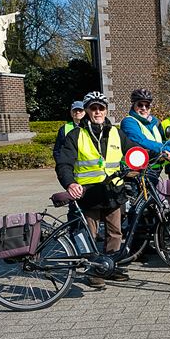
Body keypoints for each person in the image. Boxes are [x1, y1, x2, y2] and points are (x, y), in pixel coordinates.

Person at [55, 91, 137, 288]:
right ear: (86, 111)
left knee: (115, 233)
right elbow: (64, 163)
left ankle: (110, 266)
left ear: (106, 110)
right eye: (93, 108)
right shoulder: (76, 135)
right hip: (89, 194)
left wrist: (147, 158)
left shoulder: (116, 132)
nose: (98, 111)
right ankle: (93, 270)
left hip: (113, 192)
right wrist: (70, 183)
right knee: (89, 234)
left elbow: (133, 150)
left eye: (101, 108)